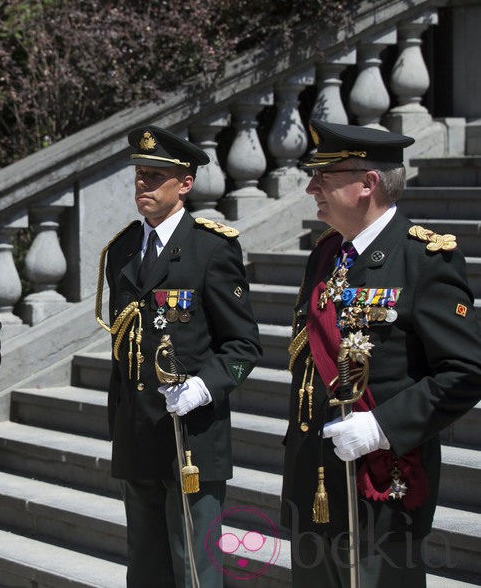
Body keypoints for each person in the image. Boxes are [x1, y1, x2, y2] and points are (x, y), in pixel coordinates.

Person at [281, 120, 481, 587]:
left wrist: (381, 427)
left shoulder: (423, 259)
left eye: (325, 179)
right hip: (316, 478)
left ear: (368, 183)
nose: (312, 189)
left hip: (381, 485)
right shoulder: (326, 255)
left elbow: (466, 372)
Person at [96, 126, 262, 588]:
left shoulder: (211, 248)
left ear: (185, 184)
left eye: (154, 176)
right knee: (145, 568)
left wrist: (203, 386)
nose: (142, 185)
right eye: (139, 175)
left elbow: (245, 346)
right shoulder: (124, 249)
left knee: (194, 567)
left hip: (191, 435)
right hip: (137, 430)